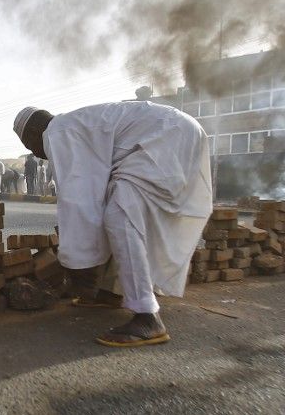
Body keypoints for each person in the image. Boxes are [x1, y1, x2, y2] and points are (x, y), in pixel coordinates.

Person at [13, 102, 212, 348]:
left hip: (166, 137)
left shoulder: (57, 131)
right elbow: (94, 195)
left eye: (30, 147)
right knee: (113, 206)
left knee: (120, 215)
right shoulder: (76, 124)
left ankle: (148, 318)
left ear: (34, 133)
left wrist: (77, 263)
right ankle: (111, 292)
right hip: (179, 131)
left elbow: (78, 198)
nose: (36, 153)